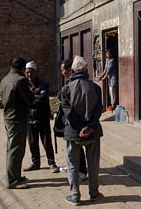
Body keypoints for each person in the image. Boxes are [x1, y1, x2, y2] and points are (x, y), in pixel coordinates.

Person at [60, 56, 103, 205]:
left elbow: (68, 112)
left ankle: (75, 196)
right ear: (85, 70)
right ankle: (94, 193)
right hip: (93, 132)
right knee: (93, 164)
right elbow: (99, 109)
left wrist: (79, 128)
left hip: (73, 133)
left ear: (72, 70)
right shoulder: (96, 88)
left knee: (72, 165)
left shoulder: (66, 89)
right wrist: (89, 127)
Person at [0, 57, 35, 189]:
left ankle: (16, 175)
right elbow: (29, 99)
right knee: (16, 149)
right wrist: (31, 93)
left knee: (12, 147)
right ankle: (13, 180)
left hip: (8, 117)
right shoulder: (20, 80)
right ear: (22, 69)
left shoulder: (5, 79)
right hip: (18, 118)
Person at [23, 61, 60, 173]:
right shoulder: (24, 85)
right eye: (27, 72)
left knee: (46, 142)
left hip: (42, 117)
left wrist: (30, 98)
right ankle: (35, 163)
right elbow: (23, 100)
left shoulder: (43, 84)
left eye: (31, 72)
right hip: (29, 118)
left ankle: (52, 163)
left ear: (36, 72)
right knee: (32, 143)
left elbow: (42, 99)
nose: (29, 75)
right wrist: (33, 97)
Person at [57, 59, 88, 181]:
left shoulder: (77, 84)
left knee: (77, 146)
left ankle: (81, 171)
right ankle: (72, 167)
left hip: (76, 121)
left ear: (71, 70)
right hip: (70, 121)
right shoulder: (68, 84)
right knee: (71, 148)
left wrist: (78, 124)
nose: (62, 72)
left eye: (63, 70)